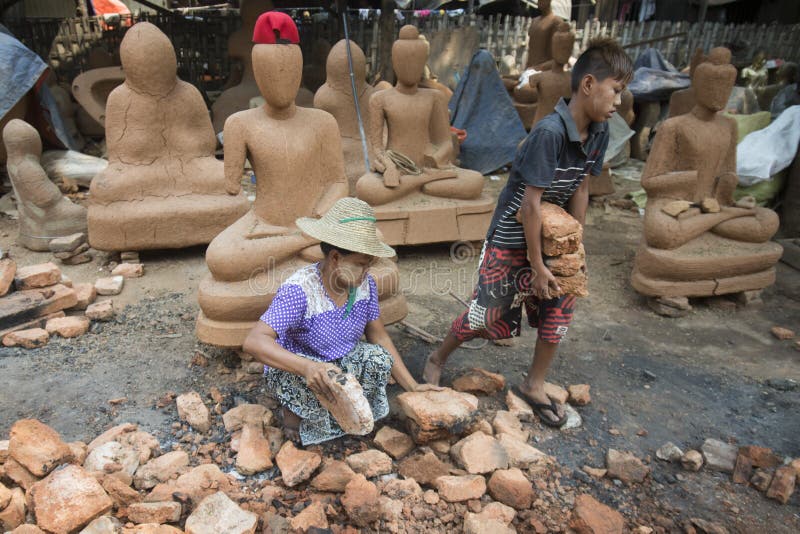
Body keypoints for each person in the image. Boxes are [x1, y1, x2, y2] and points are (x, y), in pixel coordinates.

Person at [423, 38, 633, 428]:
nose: (619, 101)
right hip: (512, 235)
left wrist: (574, 247)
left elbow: (582, 189)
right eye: (616, 90)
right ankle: (438, 357)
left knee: (560, 307)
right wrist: (536, 264)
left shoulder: (600, 131)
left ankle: (534, 385)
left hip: (556, 234)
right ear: (588, 85)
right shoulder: (549, 133)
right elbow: (529, 206)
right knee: (487, 315)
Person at [243, 197, 432, 445]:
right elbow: (254, 341)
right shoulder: (300, 290)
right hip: (302, 367)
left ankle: (346, 417)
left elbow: (379, 336)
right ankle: (296, 416)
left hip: (341, 365)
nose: (366, 271)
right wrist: (307, 368)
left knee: (378, 359)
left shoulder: (365, 285)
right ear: (334, 258)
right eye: (361, 264)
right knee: (305, 384)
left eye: (369, 265)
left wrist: (413, 386)